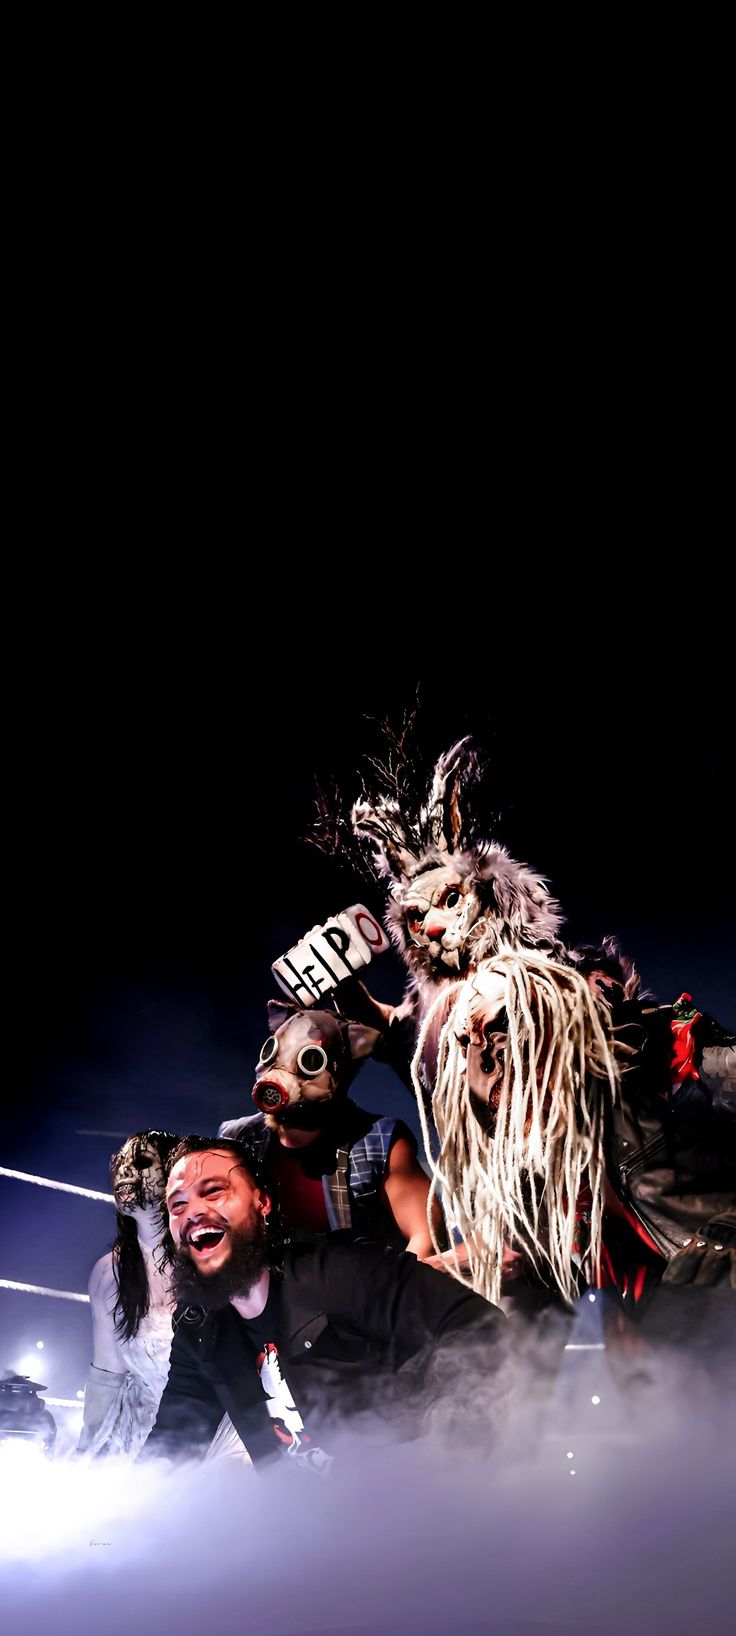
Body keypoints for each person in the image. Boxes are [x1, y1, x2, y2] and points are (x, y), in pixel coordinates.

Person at [142, 1136, 506, 1467]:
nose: (193, 1212)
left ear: (262, 1203)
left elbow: (482, 1328)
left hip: (417, 1508)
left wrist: (433, 1443)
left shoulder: (342, 1269)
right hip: (309, 1525)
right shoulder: (199, 1329)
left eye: (214, 1191)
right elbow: (173, 1441)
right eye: (178, 1205)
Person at [219, 1001, 441, 1258]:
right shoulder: (238, 1141)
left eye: (309, 1060)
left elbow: (425, 1238)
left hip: (360, 1289)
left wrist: (387, 1293)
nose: (279, 1069)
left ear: (337, 1072)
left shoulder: (379, 1143)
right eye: (275, 1052)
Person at [79, 1130, 248, 1462]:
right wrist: (87, 1448)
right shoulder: (108, 1275)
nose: (124, 1173)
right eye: (118, 1163)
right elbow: (108, 1374)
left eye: (142, 1163)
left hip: (225, 1431)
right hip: (144, 1434)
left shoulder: (212, 1257)